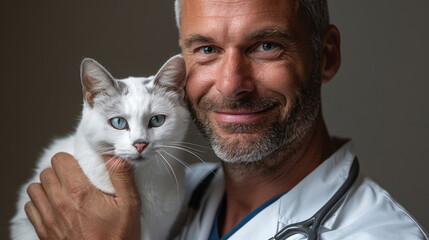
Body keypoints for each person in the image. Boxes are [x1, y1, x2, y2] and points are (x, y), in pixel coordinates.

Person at [24, 0, 428, 239]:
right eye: (206, 50)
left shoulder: (379, 234)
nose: (232, 84)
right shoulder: (178, 189)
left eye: (266, 45)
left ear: (326, 56)